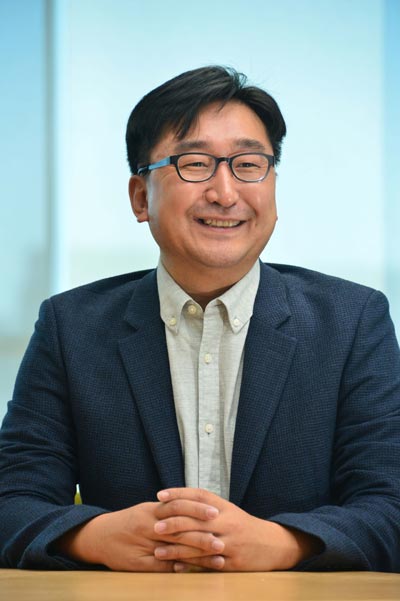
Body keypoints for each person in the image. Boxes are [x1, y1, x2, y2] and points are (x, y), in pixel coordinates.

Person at [1, 66, 400, 573]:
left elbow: (389, 505)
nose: (225, 192)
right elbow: (13, 499)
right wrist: (96, 536)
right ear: (140, 197)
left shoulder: (352, 322)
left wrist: (282, 543)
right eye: (195, 164)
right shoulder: (72, 327)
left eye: (249, 164)